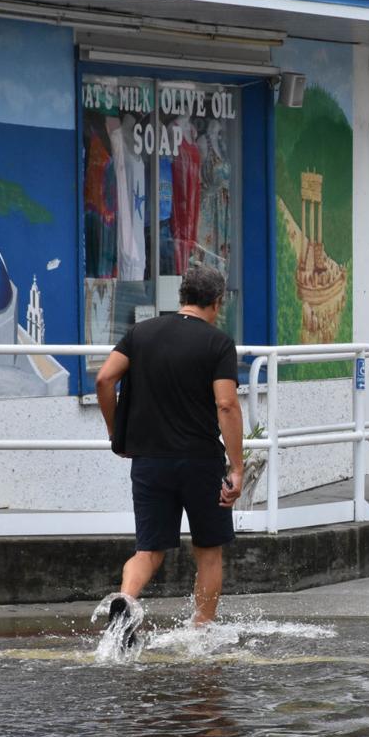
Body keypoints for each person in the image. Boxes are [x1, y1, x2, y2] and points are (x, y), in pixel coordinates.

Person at [95, 264, 243, 630]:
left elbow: (104, 378)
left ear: (182, 296)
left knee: (147, 551)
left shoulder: (141, 333)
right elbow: (226, 404)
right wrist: (237, 468)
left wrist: (117, 434)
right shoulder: (218, 343)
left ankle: (126, 600)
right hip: (200, 462)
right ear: (217, 302)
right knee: (208, 552)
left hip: (150, 460)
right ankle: (200, 632)